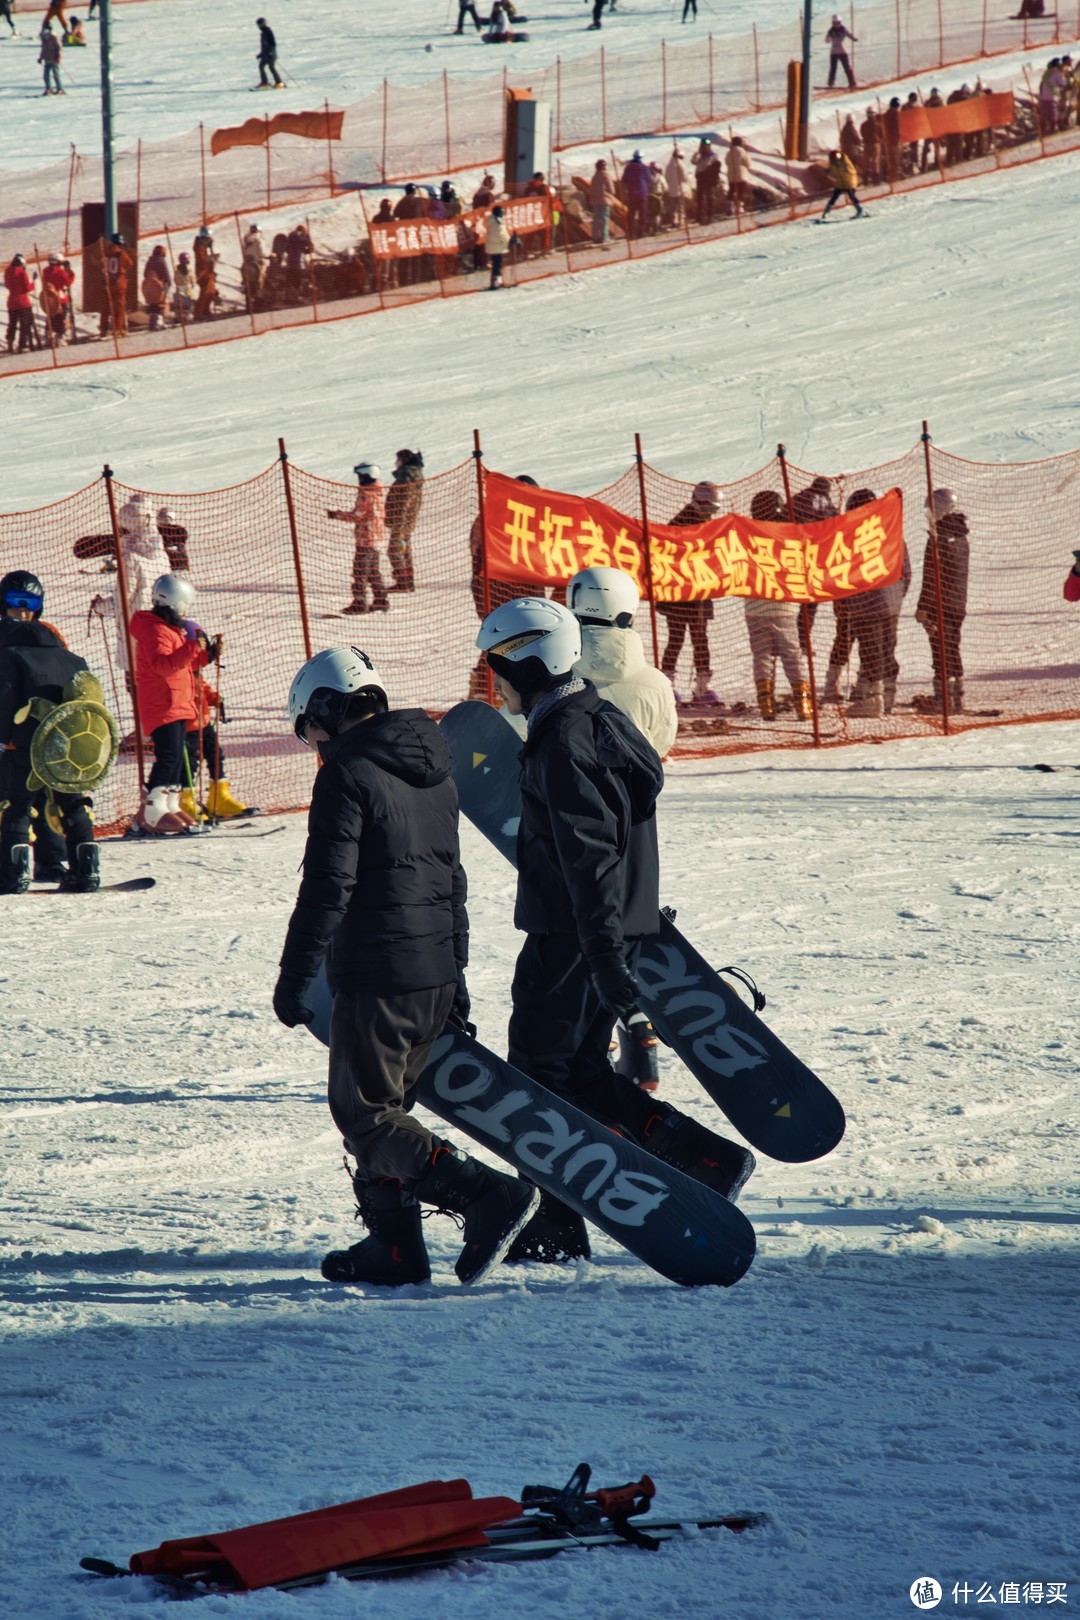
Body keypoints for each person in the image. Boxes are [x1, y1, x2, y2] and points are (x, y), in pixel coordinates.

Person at [475, 596, 755, 1264]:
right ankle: (702, 1159)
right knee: (574, 1072)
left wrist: (603, 958)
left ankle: (553, 1226)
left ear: (529, 660)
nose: (494, 683)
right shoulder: (597, 717)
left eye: (496, 667)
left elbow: (591, 858)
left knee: (536, 1084)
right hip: (601, 931)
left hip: (572, 938)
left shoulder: (563, 743)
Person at [274, 646, 538, 1287]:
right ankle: (394, 1248)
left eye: (310, 725)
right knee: (386, 1108)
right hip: (429, 973)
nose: (312, 740)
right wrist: (457, 981)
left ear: (331, 710)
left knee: (367, 1115)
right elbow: (453, 885)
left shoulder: (347, 773)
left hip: (379, 974)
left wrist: (294, 978)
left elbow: (327, 889)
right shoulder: (435, 773)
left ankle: (485, 1196)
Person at [0, 570, 102, 894]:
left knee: (16, 804)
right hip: (64, 745)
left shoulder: (11, 651)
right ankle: (86, 871)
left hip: (23, 743)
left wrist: (2, 740)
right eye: (15, 603)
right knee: (70, 804)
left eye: (30, 603)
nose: (22, 611)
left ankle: (17, 872)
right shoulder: (68, 653)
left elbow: (5, 697)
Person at [129, 574, 219, 833]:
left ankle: (168, 806)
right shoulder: (155, 630)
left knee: (176, 758)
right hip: (163, 703)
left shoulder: (167, 629)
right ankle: (153, 812)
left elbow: (183, 665)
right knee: (168, 758)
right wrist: (192, 647)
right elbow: (162, 665)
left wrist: (205, 655)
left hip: (176, 702)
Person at [743, 491, 810, 721]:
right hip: (784, 605)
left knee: (761, 655)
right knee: (792, 654)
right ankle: (803, 704)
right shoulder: (789, 534)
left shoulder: (747, 534)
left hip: (755, 605)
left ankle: (766, 706)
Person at [659, 481, 721, 704]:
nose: (711, 514)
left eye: (715, 510)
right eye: (710, 509)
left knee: (700, 639)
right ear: (699, 503)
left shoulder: (707, 525)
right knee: (677, 638)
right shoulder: (680, 523)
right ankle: (668, 685)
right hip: (679, 593)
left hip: (699, 592)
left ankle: (703, 687)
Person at [914, 488, 970, 713]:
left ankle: (943, 699)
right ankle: (955, 698)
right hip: (957, 602)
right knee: (952, 647)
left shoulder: (940, 538)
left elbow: (932, 575)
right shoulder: (960, 536)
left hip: (941, 603)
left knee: (940, 650)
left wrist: (923, 607)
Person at [182, 656, 249, 822]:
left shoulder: (194, 670)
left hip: (203, 721)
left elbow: (202, 686)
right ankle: (185, 800)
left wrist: (213, 698)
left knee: (215, 755)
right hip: (187, 723)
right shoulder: (179, 670)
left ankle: (219, 798)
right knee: (190, 762)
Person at [329, 462, 388, 615]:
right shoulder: (378, 491)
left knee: (360, 571)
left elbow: (358, 516)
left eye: (361, 476)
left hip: (366, 538)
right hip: (377, 538)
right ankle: (381, 600)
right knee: (373, 571)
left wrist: (337, 515)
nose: (359, 479)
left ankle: (359, 603)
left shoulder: (366, 494)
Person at [385, 449, 424, 592]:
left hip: (400, 522)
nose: (396, 463)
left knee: (395, 551)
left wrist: (398, 521)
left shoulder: (406, 477)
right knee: (403, 550)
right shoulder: (411, 476)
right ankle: (407, 581)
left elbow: (404, 501)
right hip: (405, 521)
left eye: (398, 460)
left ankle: (403, 582)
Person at [101, 232, 133, 337]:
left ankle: (104, 328)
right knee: (119, 307)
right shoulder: (121, 253)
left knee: (106, 306)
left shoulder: (105, 252)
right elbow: (130, 264)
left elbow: (96, 261)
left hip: (107, 282)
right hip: (119, 283)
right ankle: (118, 329)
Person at [41, 252, 75, 346]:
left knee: (51, 317)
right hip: (60, 298)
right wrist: (70, 272)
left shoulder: (45, 271)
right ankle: (60, 338)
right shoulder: (60, 272)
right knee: (61, 318)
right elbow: (68, 282)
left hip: (50, 298)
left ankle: (49, 335)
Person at [5, 254, 36, 354]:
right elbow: (27, 287)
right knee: (24, 325)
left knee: (12, 323)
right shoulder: (22, 272)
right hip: (23, 303)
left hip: (11, 302)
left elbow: (7, 285)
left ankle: (10, 341)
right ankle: (22, 345)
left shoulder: (7, 271)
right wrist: (34, 283)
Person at [820, 149, 865, 219]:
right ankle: (826, 213)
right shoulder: (833, 164)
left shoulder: (845, 162)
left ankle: (859, 210)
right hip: (840, 183)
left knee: (851, 196)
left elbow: (850, 170)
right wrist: (827, 171)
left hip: (849, 182)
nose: (834, 160)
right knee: (834, 197)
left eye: (835, 158)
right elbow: (832, 170)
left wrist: (846, 169)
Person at [621, 150, 651, 239]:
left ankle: (630, 233)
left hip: (632, 194)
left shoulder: (628, 168)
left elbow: (624, 180)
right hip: (642, 194)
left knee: (631, 214)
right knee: (642, 214)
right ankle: (640, 233)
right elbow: (650, 179)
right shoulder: (644, 167)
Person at [141, 244, 170, 332]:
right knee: (161, 303)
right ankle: (159, 321)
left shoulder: (149, 262)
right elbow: (166, 276)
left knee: (152, 304)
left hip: (149, 287)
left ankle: (152, 321)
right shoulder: (161, 261)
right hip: (159, 287)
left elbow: (145, 274)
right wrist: (167, 286)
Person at [588, 159, 616, 245]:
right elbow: (612, 190)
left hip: (594, 201)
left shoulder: (594, 177)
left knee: (596, 220)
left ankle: (595, 237)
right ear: (603, 166)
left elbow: (591, 190)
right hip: (604, 200)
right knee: (604, 219)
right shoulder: (606, 175)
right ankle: (605, 237)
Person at [825, 14, 856, 88]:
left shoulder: (843, 29)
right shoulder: (831, 31)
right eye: (835, 23)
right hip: (833, 52)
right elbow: (827, 40)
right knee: (833, 68)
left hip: (842, 51)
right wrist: (829, 37)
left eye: (838, 22)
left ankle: (852, 83)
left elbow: (849, 34)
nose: (836, 24)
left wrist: (853, 38)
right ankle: (831, 83)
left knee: (847, 67)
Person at [156, 507, 190, 573]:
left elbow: (180, 546)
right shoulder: (157, 530)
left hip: (177, 565)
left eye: (167, 518)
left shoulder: (178, 531)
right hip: (163, 565)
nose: (165, 520)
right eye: (163, 518)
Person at [484, 204, 510, 290]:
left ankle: (495, 281)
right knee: (497, 265)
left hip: (491, 245)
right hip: (497, 246)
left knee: (495, 264)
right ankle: (496, 282)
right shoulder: (498, 222)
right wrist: (509, 242)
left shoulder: (490, 220)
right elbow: (502, 234)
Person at [726, 136, 754, 212]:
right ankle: (739, 207)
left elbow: (727, 162)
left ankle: (729, 206)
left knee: (731, 190)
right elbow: (748, 163)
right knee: (740, 191)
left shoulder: (729, 152)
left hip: (731, 176)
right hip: (741, 175)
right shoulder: (742, 151)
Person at [241, 223, 266, 306]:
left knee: (249, 283)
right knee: (261, 280)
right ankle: (260, 299)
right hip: (256, 263)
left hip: (247, 264)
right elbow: (261, 253)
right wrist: (270, 255)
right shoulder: (259, 241)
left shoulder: (246, 240)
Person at [255, 16, 283, 88]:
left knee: (271, 67)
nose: (259, 26)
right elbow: (264, 46)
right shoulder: (263, 33)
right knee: (261, 66)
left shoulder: (268, 31)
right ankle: (264, 82)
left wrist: (271, 52)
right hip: (265, 55)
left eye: (260, 25)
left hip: (271, 55)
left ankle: (279, 83)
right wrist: (260, 54)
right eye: (258, 25)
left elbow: (273, 43)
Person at [664, 146, 687, 226]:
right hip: (679, 188)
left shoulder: (669, 165)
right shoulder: (680, 164)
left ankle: (673, 220)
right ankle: (681, 220)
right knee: (680, 206)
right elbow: (684, 177)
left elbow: (666, 177)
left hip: (671, 189)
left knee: (672, 207)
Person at [38, 24, 62, 94]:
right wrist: (41, 58)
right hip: (47, 60)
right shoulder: (44, 39)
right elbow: (43, 49)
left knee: (56, 75)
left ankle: (59, 89)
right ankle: (48, 88)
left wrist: (58, 57)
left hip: (54, 59)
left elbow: (59, 48)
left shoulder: (54, 38)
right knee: (46, 76)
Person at [174, 252, 194, 322]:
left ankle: (179, 316)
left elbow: (175, 280)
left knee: (181, 302)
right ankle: (187, 316)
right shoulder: (189, 271)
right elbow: (193, 281)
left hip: (180, 288)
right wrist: (192, 285)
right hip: (187, 288)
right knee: (188, 303)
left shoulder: (177, 271)